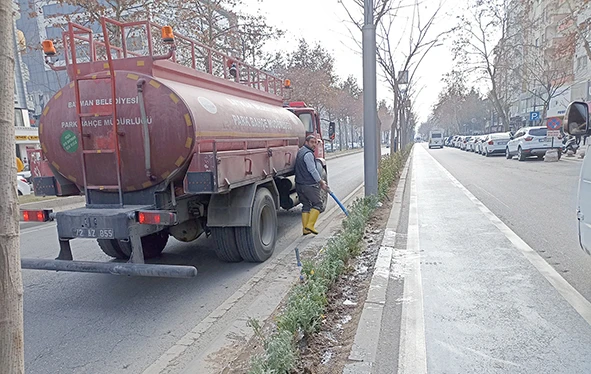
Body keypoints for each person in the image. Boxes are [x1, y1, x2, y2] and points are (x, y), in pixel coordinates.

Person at [295, 135, 329, 235]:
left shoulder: (301, 152)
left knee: (306, 205)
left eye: (316, 142)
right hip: (308, 185)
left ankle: (305, 230)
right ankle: (310, 225)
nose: (314, 145)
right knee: (318, 204)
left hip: (299, 184)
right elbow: (312, 170)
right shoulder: (308, 154)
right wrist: (321, 182)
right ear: (306, 142)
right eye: (312, 142)